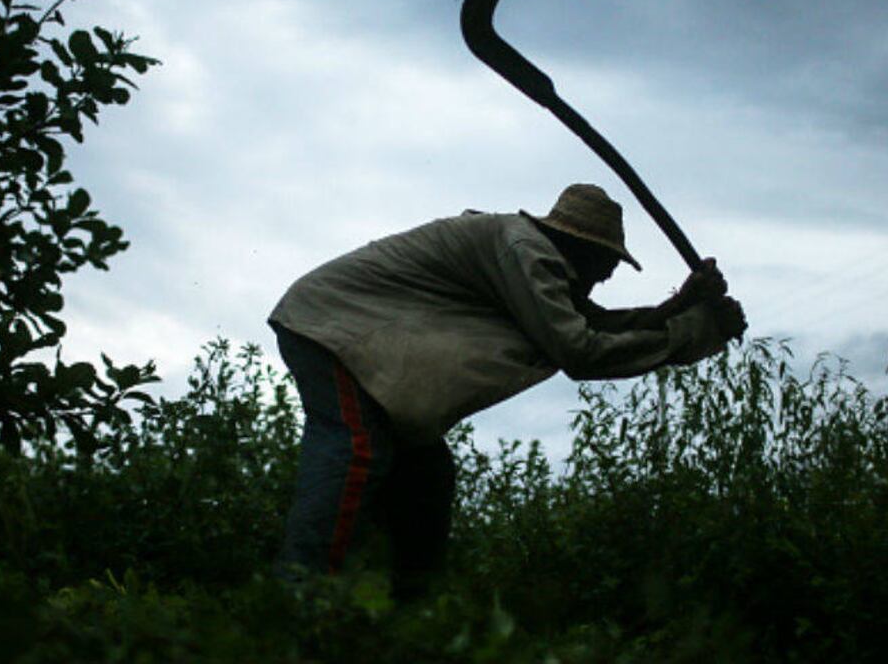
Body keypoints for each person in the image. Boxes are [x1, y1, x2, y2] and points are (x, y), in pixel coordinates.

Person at [267, 183, 747, 598]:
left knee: (425, 481)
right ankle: (302, 603)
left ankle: (402, 623)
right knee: (357, 451)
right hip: (331, 331)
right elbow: (580, 349)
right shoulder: (526, 251)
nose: (608, 276)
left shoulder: (532, 261)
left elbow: (592, 324)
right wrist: (695, 330)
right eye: (607, 262)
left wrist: (683, 308)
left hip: (356, 346)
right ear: (580, 248)